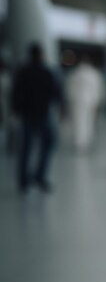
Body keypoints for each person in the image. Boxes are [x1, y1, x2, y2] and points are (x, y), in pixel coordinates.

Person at [11, 43, 61, 193]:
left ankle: (24, 181)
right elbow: (55, 93)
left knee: (26, 148)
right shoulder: (46, 72)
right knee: (48, 143)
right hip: (42, 114)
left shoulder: (23, 72)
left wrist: (17, 110)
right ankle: (39, 175)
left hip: (27, 115)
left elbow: (16, 93)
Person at [65, 54, 106, 153]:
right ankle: (86, 142)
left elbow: (70, 89)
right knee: (89, 122)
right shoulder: (94, 74)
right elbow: (98, 89)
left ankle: (79, 143)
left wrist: (71, 100)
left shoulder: (75, 74)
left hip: (77, 102)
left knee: (79, 122)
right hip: (90, 101)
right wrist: (98, 101)